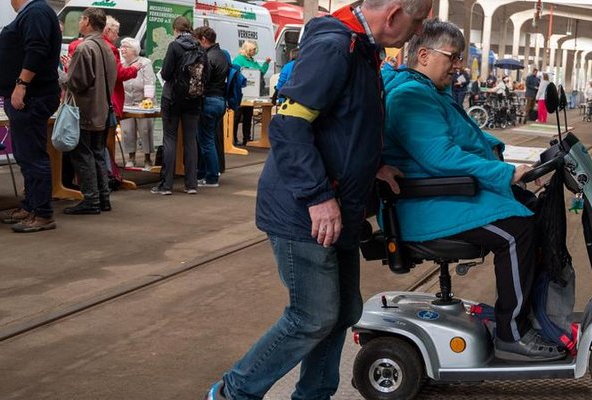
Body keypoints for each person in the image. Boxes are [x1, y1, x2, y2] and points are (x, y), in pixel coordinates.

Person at [206, 0, 430, 399]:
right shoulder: (335, 47)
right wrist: (317, 195)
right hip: (305, 208)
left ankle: (313, 395)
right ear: (395, 14)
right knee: (312, 315)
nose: (418, 30)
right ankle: (233, 393)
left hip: (340, 202)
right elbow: (289, 124)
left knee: (344, 311)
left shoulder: (361, 50)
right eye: (418, 20)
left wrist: (371, 165)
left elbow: (344, 123)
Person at [382, 19, 564, 361]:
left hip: (444, 193)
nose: (458, 65)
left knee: (532, 208)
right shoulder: (411, 96)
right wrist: (506, 173)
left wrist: (500, 156)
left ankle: (530, 312)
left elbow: (468, 137)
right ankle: (512, 333)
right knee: (517, 231)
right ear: (423, 55)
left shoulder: (429, 91)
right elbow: (441, 157)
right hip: (424, 202)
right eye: (452, 57)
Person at [0, 0, 62, 232]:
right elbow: (21, 54)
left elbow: (37, 50)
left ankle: (42, 213)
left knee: (32, 155)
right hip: (29, 95)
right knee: (25, 154)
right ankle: (30, 205)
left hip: (32, 96)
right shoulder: (32, 13)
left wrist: (21, 85)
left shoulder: (36, 12)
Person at [60, 8, 116, 215]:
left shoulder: (85, 49)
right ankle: (103, 198)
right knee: (98, 153)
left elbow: (75, 82)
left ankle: (91, 200)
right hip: (102, 109)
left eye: (82, 19)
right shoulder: (108, 48)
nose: (80, 23)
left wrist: (60, 74)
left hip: (85, 110)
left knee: (82, 155)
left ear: (88, 21)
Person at [152, 16, 202, 196]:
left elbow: (165, 73)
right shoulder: (199, 47)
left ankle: (166, 185)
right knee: (190, 140)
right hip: (193, 99)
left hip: (172, 98)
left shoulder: (174, 46)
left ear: (175, 30)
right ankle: (191, 184)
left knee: (170, 139)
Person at [193, 26, 229, 188]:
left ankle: (212, 177)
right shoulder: (222, 54)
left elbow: (203, 81)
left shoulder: (208, 57)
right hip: (221, 100)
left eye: (197, 40)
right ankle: (202, 174)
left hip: (209, 100)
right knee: (208, 139)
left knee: (206, 141)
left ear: (204, 40)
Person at [120, 37, 155, 170]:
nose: (122, 49)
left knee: (145, 130)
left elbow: (149, 82)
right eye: (122, 47)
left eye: (126, 47)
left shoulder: (145, 62)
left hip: (143, 102)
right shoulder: (122, 64)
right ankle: (131, 157)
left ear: (134, 50)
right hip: (127, 102)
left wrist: (148, 99)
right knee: (127, 130)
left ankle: (147, 158)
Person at [231, 41, 270, 146]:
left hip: (251, 94)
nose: (255, 51)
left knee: (248, 116)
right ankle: (233, 138)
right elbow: (235, 73)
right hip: (241, 92)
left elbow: (260, 72)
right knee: (237, 116)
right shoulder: (239, 60)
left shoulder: (252, 61)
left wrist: (266, 63)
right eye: (253, 49)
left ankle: (246, 138)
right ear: (247, 49)